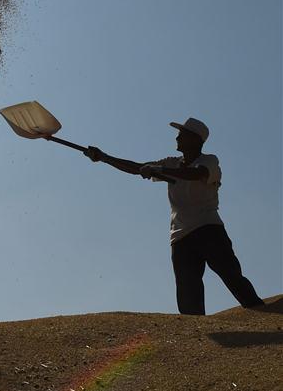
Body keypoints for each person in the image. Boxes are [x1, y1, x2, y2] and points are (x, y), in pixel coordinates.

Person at [84, 117, 264, 315]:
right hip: (180, 237)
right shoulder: (172, 163)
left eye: (182, 134)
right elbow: (137, 168)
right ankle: (196, 333)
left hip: (208, 229)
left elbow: (196, 174)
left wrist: (159, 170)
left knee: (231, 275)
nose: (177, 137)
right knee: (187, 290)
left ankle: (263, 314)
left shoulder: (209, 161)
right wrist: (103, 157)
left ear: (196, 140)